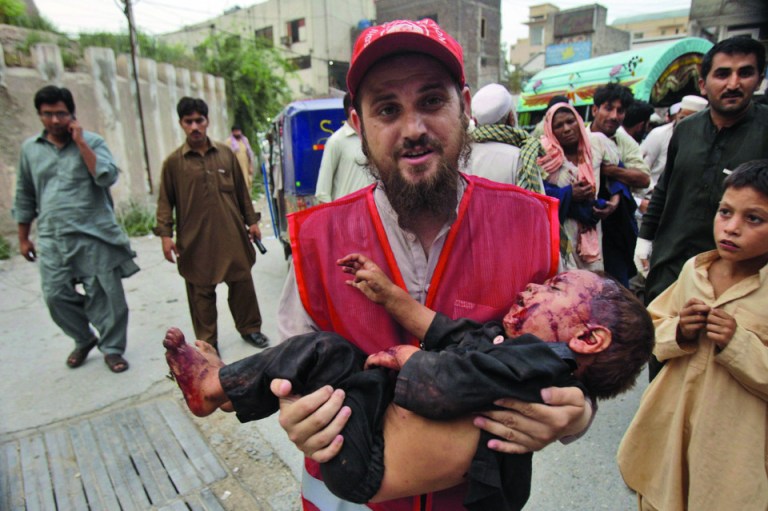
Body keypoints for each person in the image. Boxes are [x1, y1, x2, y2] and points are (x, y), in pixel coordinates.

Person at [270, 18, 593, 511]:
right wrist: (294, 410)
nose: (414, 129)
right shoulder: (318, 238)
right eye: (387, 109)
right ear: (358, 125)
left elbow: (581, 362)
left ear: (464, 106)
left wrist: (575, 413)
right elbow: (290, 369)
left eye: (431, 101)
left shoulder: (533, 226)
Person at [164, 260, 653, 510]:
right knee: (327, 351)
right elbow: (456, 335)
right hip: (360, 437)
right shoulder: (523, 352)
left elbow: (458, 378)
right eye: (387, 108)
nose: (530, 287)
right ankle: (223, 389)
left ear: (588, 338)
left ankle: (215, 388)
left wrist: (411, 359)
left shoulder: (538, 365)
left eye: (552, 289)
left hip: (362, 464)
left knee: (324, 352)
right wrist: (391, 296)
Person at [617, 160, 768, 510]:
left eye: (754, 219)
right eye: (725, 212)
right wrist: (679, 331)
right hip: (671, 426)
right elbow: (650, 330)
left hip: (734, 445)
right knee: (662, 492)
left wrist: (738, 343)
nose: (731, 228)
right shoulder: (695, 270)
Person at [635, 36, 767, 379]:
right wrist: (646, 238)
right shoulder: (687, 130)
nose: (734, 83)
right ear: (704, 83)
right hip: (673, 265)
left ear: (759, 77)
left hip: (742, 277)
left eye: (745, 72)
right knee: (663, 355)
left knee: (722, 373)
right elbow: (665, 188)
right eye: (723, 74)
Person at [13, 85, 138, 373]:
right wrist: (23, 238)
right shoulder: (31, 150)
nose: (55, 121)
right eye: (48, 114)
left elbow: (107, 176)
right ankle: (83, 338)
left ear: (72, 114)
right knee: (55, 295)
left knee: (107, 297)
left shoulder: (92, 142)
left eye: (61, 114)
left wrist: (81, 143)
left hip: (94, 234)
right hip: (53, 237)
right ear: (39, 116)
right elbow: (25, 193)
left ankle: (112, 349)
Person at [155, 97, 269, 351]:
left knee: (242, 284)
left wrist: (252, 221)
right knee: (200, 292)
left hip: (231, 234)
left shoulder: (225, 153)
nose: (195, 126)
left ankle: (251, 329)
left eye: (199, 120)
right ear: (181, 124)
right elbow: (165, 202)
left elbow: (241, 193)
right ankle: (208, 342)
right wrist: (165, 236)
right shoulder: (173, 163)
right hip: (194, 239)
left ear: (207, 121)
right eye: (189, 122)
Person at [520, 102, 605, 270]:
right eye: (558, 125)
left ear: (579, 122)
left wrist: (612, 202)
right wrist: (568, 193)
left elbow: (616, 174)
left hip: (592, 232)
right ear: (550, 130)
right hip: (561, 235)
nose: (566, 129)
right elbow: (534, 194)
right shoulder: (544, 157)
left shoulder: (593, 149)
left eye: (570, 121)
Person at [634, 94, 708, 278]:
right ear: (677, 115)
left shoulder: (706, 137)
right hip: (653, 204)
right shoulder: (660, 135)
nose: (687, 123)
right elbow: (642, 169)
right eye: (683, 118)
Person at [588, 83, 651, 287]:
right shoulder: (578, 135)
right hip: (583, 223)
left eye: (620, 111)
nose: (614, 116)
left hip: (615, 228)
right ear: (595, 109)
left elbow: (643, 179)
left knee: (616, 286)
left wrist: (611, 171)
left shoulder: (625, 142)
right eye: (608, 108)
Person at [465, 83, 543, 192]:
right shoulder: (523, 159)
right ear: (511, 118)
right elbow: (538, 205)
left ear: (475, 121)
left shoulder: (461, 154)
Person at [314, 93, 374, 203]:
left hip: (372, 213)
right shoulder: (336, 141)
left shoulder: (373, 138)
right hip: (346, 216)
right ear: (353, 111)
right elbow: (322, 192)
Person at [225, 125, 256, 191]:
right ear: (233, 132)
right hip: (235, 167)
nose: (238, 133)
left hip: (245, 167)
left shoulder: (245, 140)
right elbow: (227, 155)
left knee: (247, 184)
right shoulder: (229, 141)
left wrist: (251, 166)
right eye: (236, 131)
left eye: (239, 131)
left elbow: (249, 154)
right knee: (237, 186)